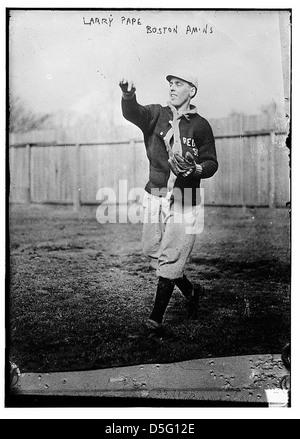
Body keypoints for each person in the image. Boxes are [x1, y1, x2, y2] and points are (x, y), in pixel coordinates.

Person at [119, 73, 218, 335]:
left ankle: (155, 321)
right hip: (157, 191)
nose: (172, 88)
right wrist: (128, 96)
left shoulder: (201, 125)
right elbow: (132, 113)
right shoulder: (155, 114)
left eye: (179, 84)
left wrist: (196, 168)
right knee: (152, 250)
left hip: (186, 196)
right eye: (170, 84)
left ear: (192, 91)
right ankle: (190, 290)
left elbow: (211, 161)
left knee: (171, 254)